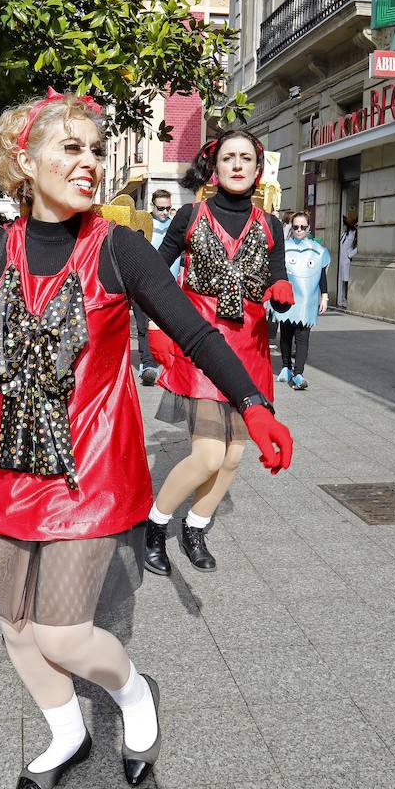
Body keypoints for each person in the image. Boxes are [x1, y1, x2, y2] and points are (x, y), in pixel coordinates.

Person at [0, 90, 293, 789]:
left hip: (90, 468)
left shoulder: (120, 247)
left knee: (65, 634)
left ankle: (134, 695)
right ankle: (65, 730)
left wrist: (254, 405)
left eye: (95, 150)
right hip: (2, 461)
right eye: (71, 148)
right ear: (26, 159)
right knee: (16, 626)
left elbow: (196, 334)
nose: (89, 164)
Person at [145, 130, 294, 574]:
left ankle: (196, 525)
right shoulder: (189, 215)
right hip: (200, 346)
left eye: (245, 157)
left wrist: (280, 289)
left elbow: (277, 273)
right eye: (228, 156)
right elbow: (152, 273)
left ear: (257, 168)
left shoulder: (272, 224)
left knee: (233, 457)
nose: (236, 164)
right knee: (208, 454)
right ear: (214, 166)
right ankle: (155, 525)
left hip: (250, 348)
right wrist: (155, 328)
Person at [274, 212, 329, 391]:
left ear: (308, 228)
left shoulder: (317, 250)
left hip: (307, 300)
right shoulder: (284, 247)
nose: (299, 230)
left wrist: (325, 296)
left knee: (303, 337)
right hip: (288, 298)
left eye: (303, 227)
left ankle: (298, 373)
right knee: (286, 334)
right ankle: (285, 367)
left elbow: (321, 275)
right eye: (296, 227)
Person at [133, 188, 180, 387]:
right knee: (143, 325)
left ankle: (165, 363)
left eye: (168, 208)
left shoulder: (176, 227)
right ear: (153, 206)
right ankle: (148, 364)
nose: (164, 212)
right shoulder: (143, 226)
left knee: (168, 326)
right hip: (142, 283)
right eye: (161, 208)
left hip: (168, 285)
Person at [337, 214, 357, 309]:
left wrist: (350, 255)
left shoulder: (354, 233)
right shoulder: (344, 234)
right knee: (343, 281)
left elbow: (358, 247)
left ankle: (347, 300)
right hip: (342, 260)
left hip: (348, 261)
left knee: (347, 281)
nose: (343, 226)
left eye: (344, 224)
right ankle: (343, 300)